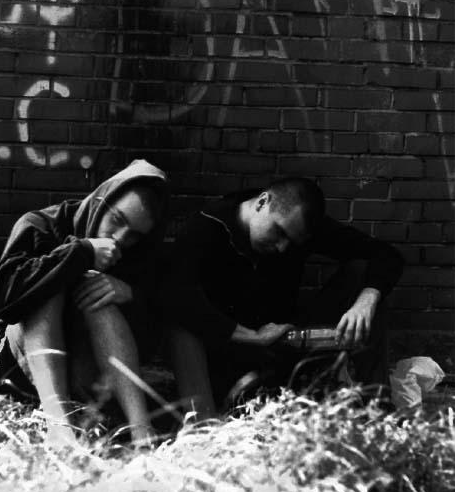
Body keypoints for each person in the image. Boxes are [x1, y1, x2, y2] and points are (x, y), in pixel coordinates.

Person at [158, 177, 404, 417]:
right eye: (279, 232)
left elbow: (386, 255)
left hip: (285, 345)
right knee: (182, 322)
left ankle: (379, 409)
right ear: (262, 203)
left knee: (363, 276)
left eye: (291, 241)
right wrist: (252, 336)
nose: (282, 247)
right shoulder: (206, 227)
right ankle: (201, 422)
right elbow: (177, 298)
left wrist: (365, 301)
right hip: (229, 352)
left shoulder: (299, 222)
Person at [0, 159, 169, 446]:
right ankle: (59, 427)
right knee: (51, 284)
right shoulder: (40, 224)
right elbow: (3, 300)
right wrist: (80, 252)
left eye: (134, 234)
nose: (121, 238)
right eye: (117, 219)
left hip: (86, 375)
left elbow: (164, 318)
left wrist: (130, 293)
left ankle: (141, 430)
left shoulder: (140, 253)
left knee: (99, 293)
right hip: (21, 366)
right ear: (101, 200)